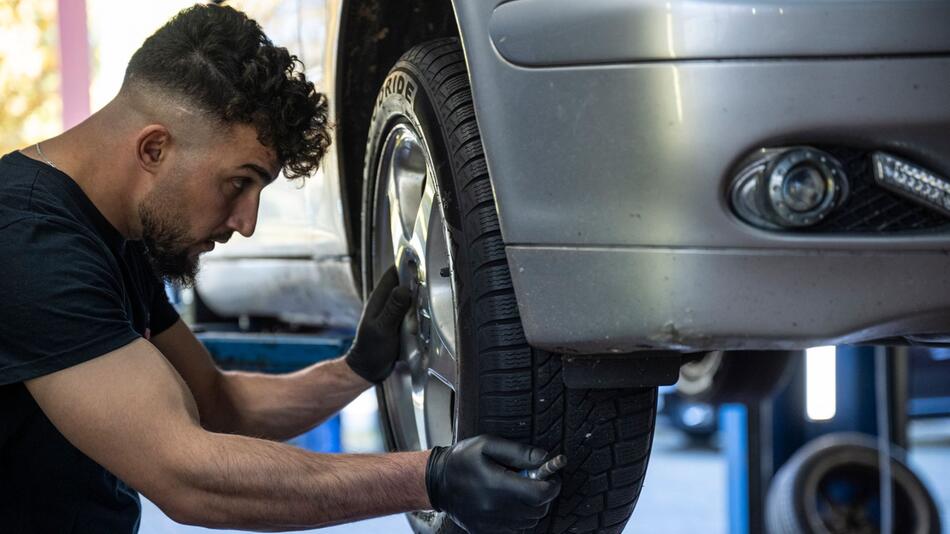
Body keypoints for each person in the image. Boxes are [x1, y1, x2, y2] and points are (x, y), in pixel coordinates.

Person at [0, 4, 560, 533]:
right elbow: (186, 475)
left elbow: (220, 406)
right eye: (238, 182)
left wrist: (357, 369)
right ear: (153, 149)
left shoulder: (111, 236)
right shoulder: (27, 243)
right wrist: (430, 478)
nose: (245, 222)